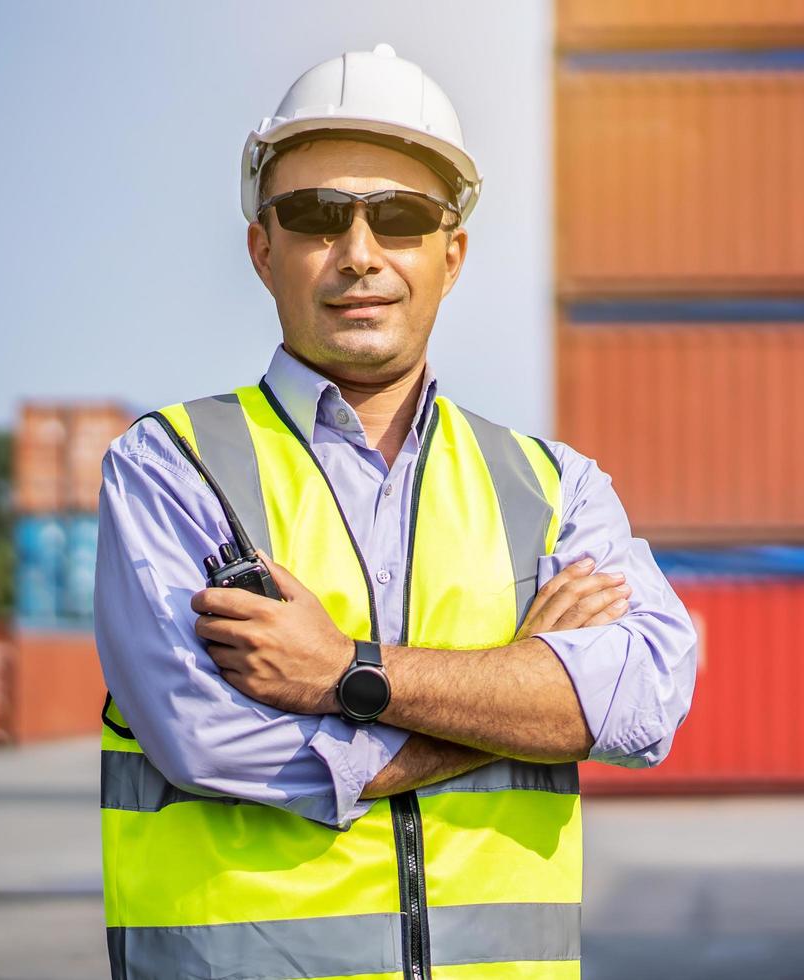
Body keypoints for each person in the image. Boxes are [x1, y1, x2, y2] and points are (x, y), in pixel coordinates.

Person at [93, 43, 697, 979]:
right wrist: (516, 695)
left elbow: (639, 701)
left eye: (403, 219)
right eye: (317, 217)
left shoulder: (553, 486)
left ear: (450, 256)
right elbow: (214, 742)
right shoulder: (172, 469)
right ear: (263, 248)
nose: (360, 255)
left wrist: (347, 672)